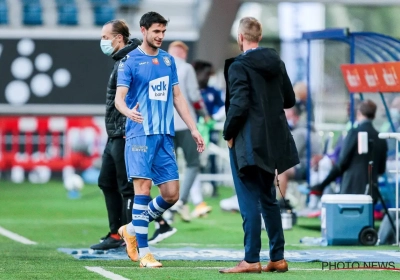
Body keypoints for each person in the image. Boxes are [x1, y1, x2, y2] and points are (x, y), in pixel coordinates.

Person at [114, 12, 205, 268]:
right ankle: (145, 253)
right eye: (156, 31)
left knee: (171, 194)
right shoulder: (130, 61)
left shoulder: (168, 60)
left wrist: (194, 128)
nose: (160, 36)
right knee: (143, 190)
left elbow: (178, 97)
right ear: (143, 31)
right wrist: (127, 111)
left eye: (163, 32)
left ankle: (131, 229)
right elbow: (119, 98)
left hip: (165, 135)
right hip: (140, 134)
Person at [219, 17, 298, 274]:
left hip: (248, 142)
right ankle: (278, 257)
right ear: (259, 37)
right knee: (268, 200)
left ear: (241, 37)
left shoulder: (238, 66)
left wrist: (228, 132)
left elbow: (239, 104)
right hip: (273, 141)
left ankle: (251, 259)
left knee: (249, 200)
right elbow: (290, 99)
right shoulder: (276, 62)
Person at [90, 20, 140, 250]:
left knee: (126, 186)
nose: (103, 41)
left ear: (119, 38)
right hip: (114, 133)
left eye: (105, 37)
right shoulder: (122, 60)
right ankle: (116, 233)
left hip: (124, 133)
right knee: (105, 182)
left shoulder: (130, 61)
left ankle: (129, 236)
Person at [167, 41, 212, 222]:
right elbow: (194, 96)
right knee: (194, 164)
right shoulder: (186, 68)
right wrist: (205, 115)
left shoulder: (159, 67)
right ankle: (181, 200)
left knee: (169, 167)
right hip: (185, 124)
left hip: (164, 125)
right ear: (183, 53)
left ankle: (167, 208)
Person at [310, 100, 388, 197]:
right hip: (371, 192)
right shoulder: (381, 138)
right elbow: (381, 169)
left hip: (352, 190)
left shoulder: (354, 133)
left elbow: (341, 163)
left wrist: (322, 185)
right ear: (374, 116)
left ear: (358, 113)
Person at [193, 60, 225, 197]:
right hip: (194, 130)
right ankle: (194, 189)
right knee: (193, 161)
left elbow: (223, 106)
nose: (207, 77)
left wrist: (214, 118)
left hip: (210, 130)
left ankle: (214, 187)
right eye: (206, 74)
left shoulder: (214, 91)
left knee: (212, 159)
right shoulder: (192, 91)